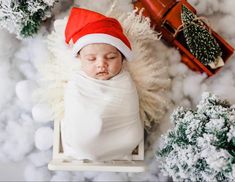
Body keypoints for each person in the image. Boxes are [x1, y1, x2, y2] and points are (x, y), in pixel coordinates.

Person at [61, 7, 144, 161]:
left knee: (131, 135)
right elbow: (74, 108)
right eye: (91, 59)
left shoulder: (124, 82)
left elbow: (127, 107)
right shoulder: (77, 83)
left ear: (122, 58)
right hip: (83, 141)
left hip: (123, 139)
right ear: (80, 58)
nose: (101, 65)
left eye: (111, 57)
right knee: (81, 137)